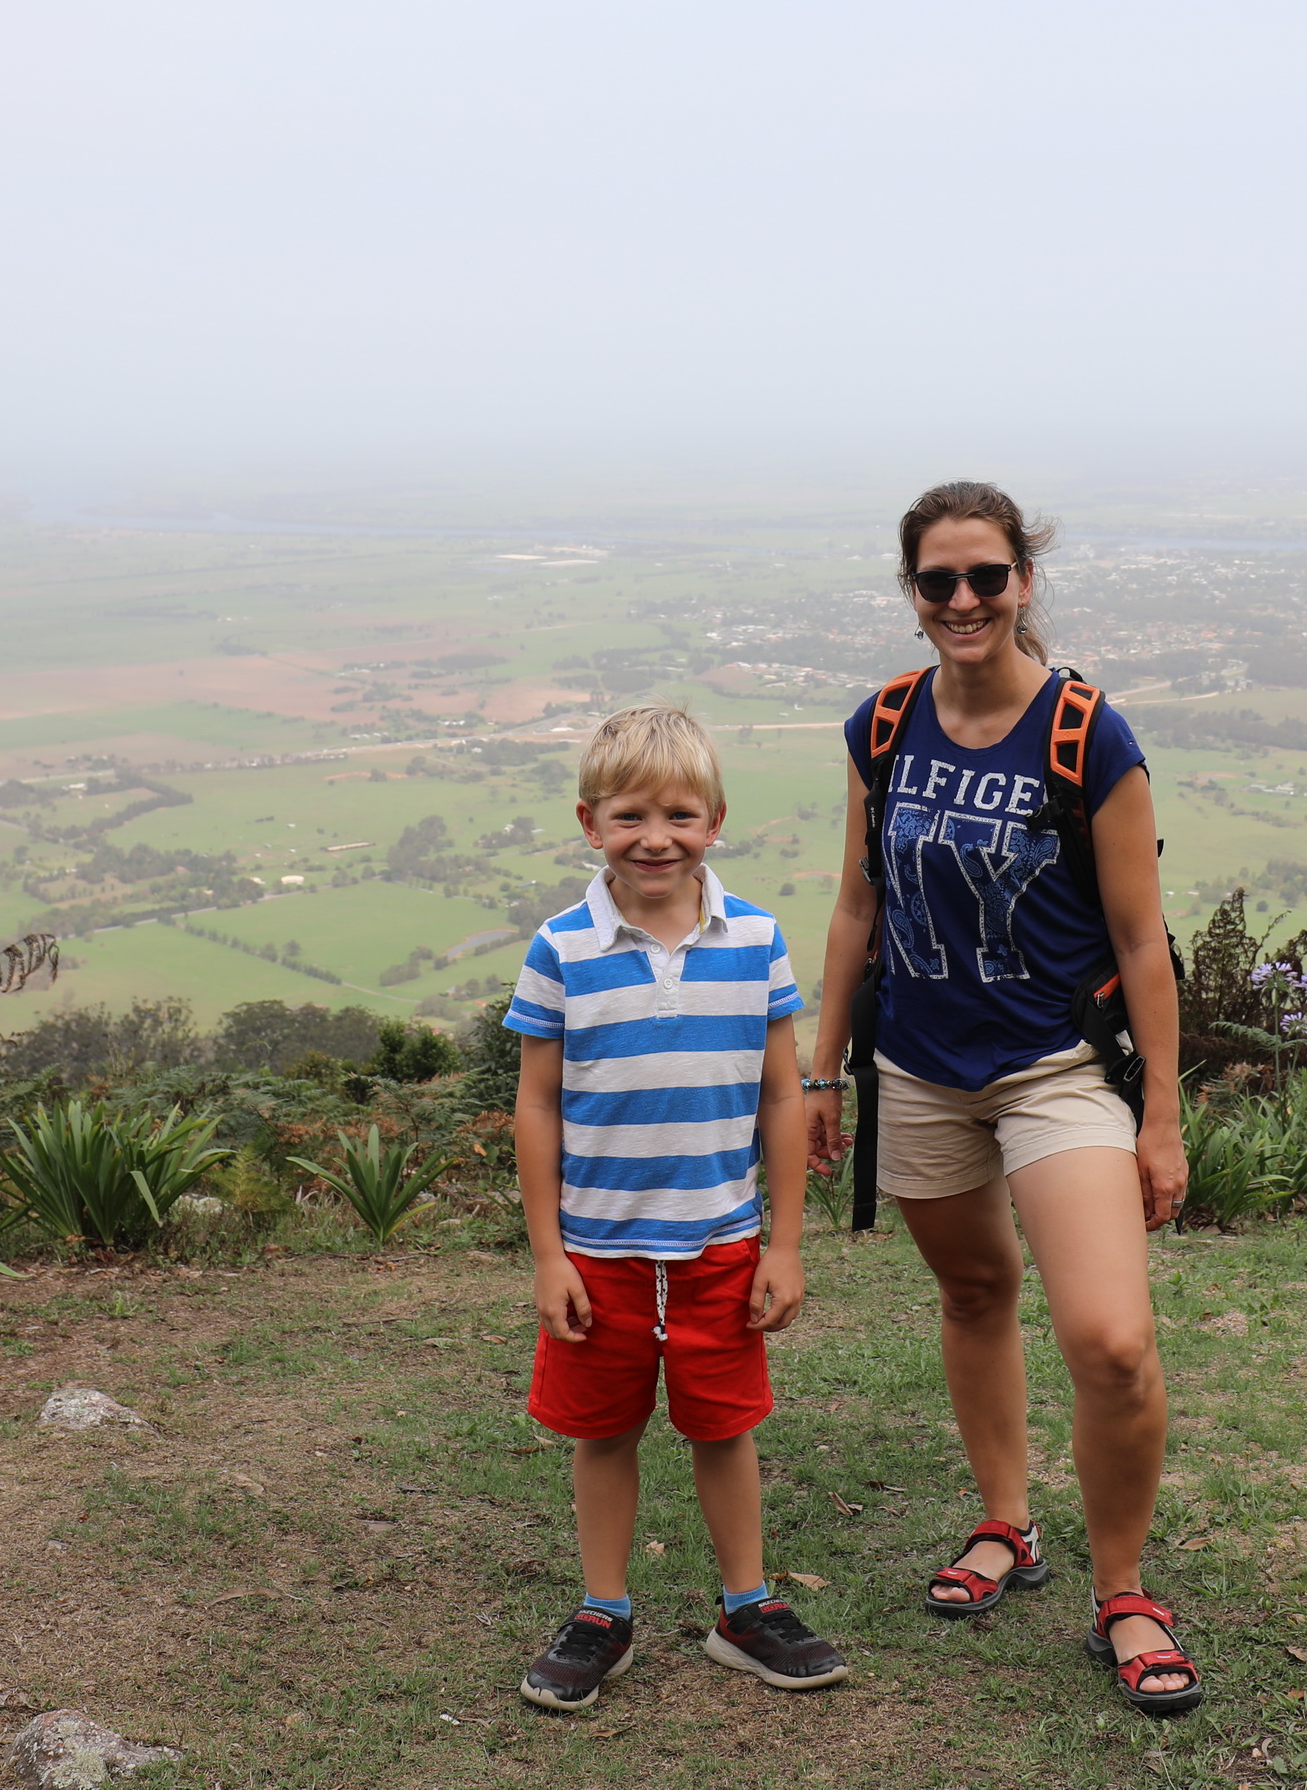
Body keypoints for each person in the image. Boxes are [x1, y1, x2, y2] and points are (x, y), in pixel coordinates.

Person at [802, 481, 1205, 1718]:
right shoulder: (882, 724)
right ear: (912, 594)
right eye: (939, 581)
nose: (964, 599)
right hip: (920, 1064)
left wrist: (1161, 1113)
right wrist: (826, 1071)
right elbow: (860, 901)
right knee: (974, 1290)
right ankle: (1008, 1523)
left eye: (987, 575)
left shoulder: (1090, 734)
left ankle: (1127, 1589)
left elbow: (1142, 940)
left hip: (1056, 1067)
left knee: (1112, 1339)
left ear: (1025, 579)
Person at [506, 703, 848, 1713]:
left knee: (723, 1424)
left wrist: (784, 1244)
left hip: (720, 1243)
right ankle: (603, 1609)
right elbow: (535, 1100)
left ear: (716, 819)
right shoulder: (562, 946)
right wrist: (547, 1253)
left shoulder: (755, 938)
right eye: (630, 815)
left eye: (680, 814)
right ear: (589, 820)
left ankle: (745, 1607)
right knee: (602, 1429)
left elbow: (783, 1095)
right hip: (598, 1247)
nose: (655, 836)